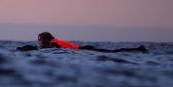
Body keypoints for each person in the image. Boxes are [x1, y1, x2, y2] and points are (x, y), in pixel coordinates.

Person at [16, 32, 148, 53]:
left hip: (85, 50)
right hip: (85, 49)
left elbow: (53, 50)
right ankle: (138, 49)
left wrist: (32, 49)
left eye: (39, 40)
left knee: (113, 52)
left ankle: (138, 49)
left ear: (45, 40)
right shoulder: (54, 43)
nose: (38, 43)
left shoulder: (54, 44)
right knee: (113, 52)